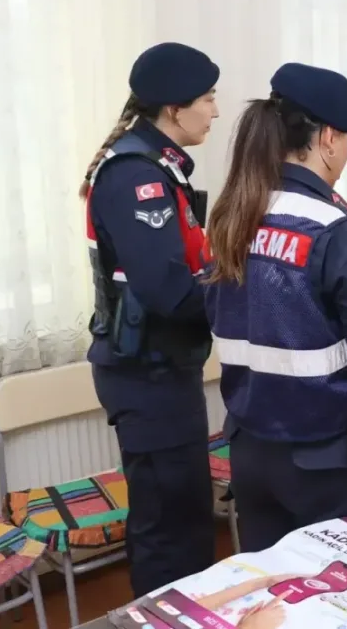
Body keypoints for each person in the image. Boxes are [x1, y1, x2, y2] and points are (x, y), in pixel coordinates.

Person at [204, 62, 347, 552]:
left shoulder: (233, 214)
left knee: (274, 585)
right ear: (328, 139)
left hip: (250, 452)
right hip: (326, 460)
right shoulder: (334, 228)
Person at [81, 42, 220, 597]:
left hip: (160, 368)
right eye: (208, 99)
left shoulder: (156, 165)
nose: (214, 111)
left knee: (183, 515)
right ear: (174, 108)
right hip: (149, 374)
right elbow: (169, 291)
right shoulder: (135, 175)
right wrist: (239, 293)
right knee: (171, 526)